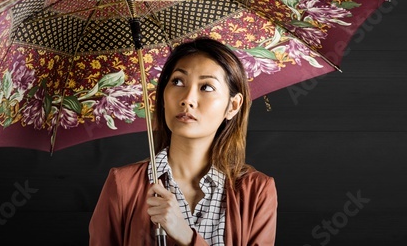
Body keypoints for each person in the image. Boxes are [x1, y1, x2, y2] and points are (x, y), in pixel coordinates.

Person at [89, 38, 277, 246]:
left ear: (233, 105)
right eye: (177, 82)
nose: (187, 99)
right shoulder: (122, 184)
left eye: (206, 87)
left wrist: (186, 236)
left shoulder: (257, 190)